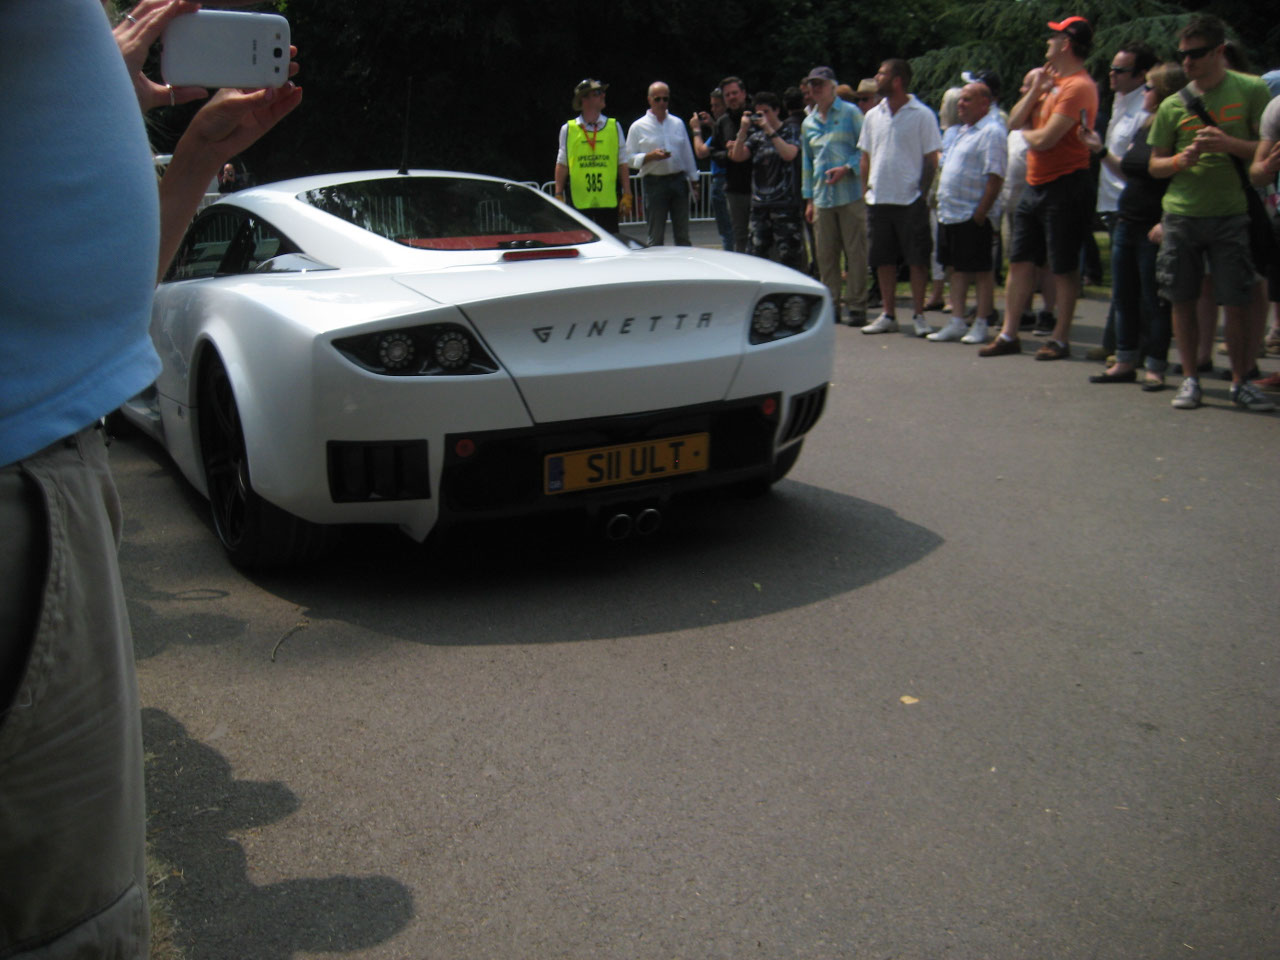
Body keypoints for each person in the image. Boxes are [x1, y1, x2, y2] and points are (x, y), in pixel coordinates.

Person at [0, 1, 301, 957]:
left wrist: (192, 163)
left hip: (45, 458)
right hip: (22, 481)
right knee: (67, 925)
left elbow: (106, 315)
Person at [1148, 14, 1274, 410]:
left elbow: (1266, 151)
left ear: (1220, 51)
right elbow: (1155, 165)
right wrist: (1180, 162)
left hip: (1232, 211)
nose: (1187, 63)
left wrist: (1228, 143)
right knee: (1181, 298)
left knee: (1237, 299)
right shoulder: (1173, 104)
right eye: (1183, 55)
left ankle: (1240, 380)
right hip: (1182, 213)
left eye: (1196, 54)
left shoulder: (1252, 90)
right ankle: (1189, 378)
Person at [979, 15, 1099, 360]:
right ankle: (1008, 334)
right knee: (1019, 261)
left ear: (1067, 43)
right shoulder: (1052, 83)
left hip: (1066, 184)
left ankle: (1060, 338)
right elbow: (1013, 119)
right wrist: (1034, 91)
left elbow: (1045, 139)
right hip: (1035, 183)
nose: (1048, 40)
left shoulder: (1078, 86)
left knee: (1062, 265)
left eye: (1055, 35)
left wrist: (1020, 134)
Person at [1082, 63, 1183, 388]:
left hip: (1153, 224)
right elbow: (1129, 171)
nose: (1146, 93)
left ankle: (1155, 364)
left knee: (1153, 299)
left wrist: (1167, 221)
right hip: (1127, 219)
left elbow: (1181, 180)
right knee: (1124, 295)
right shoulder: (1145, 126)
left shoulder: (1175, 128)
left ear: (1165, 93)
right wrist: (1099, 151)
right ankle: (1125, 359)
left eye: (1150, 87)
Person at [858, 58, 943, 336]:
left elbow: (932, 159)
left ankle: (919, 315)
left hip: (910, 201)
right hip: (879, 198)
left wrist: (921, 194)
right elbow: (866, 156)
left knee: (917, 259)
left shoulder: (922, 114)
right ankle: (888, 313)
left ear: (896, 80)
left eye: (881, 74)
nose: (875, 77)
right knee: (883, 260)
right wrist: (865, 189)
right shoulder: (873, 115)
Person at [1089, 40, 1157, 358]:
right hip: (1112, 201)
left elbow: (1135, 167)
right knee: (1123, 283)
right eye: (1111, 68)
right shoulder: (1119, 102)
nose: (1112, 75)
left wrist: (1099, 151)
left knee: (1134, 285)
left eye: (1121, 70)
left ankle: (1131, 347)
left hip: (1130, 204)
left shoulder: (1143, 108)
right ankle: (1117, 344)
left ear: (1141, 74)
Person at [926, 81, 1007, 344]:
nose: (961, 104)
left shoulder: (992, 132)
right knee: (955, 269)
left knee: (982, 271)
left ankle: (982, 322)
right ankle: (957, 320)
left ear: (985, 103)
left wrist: (981, 213)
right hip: (950, 213)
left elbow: (995, 176)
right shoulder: (962, 131)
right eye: (960, 100)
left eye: (968, 100)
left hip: (972, 214)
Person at [799, 66, 868, 324]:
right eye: (812, 84)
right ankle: (832, 304)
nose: (815, 88)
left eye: (820, 84)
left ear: (832, 86)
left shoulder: (851, 114)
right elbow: (806, 163)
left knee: (856, 252)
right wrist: (808, 200)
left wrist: (847, 168)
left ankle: (857, 305)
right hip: (822, 197)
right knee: (825, 255)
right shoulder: (809, 122)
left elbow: (866, 150)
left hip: (850, 194)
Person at [729, 91, 804, 269]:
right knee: (756, 253)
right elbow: (737, 156)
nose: (762, 117)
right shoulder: (756, 136)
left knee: (789, 255)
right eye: (758, 113)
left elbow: (789, 154)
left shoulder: (789, 130)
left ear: (777, 110)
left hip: (785, 204)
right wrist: (743, 130)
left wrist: (770, 130)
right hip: (760, 205)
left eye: (766, 112)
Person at [625, 81, 700, 247]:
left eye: (665, 99)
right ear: (649, 100)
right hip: (654, 182)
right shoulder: (638, 126)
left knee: (683, 236)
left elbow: (687, 153)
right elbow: (628, 158)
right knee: (655, 237)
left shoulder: (677, 123)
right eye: (657, 99)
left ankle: (685, 269)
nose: (662, 103)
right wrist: (650, 156)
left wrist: (694, 181)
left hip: (678, 180)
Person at [554, 78, 633, 234]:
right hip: (579, 200)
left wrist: (627, 194)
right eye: (598, 93)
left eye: (602, 92)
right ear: (584, 99)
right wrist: (558, 193)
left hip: (607, 200)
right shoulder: (568, 129)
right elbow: (562, 164)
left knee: (611, 245)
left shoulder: (614, 126)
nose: (603, 95)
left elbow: (622, 163)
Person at [712, 76, 754, 252]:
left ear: (743, 93)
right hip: (735, 188)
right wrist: (730, 154)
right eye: (727, 95)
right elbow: (714, 152)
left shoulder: (756, 116)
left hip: (758, 185)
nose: (732, 97)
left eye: (735, 93)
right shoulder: (722, 122)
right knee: (739, 235)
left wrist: (743, 148)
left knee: (759, 233)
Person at [689, 88, 734, 250]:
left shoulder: (723, 127)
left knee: (727, 231)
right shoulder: (731, 124)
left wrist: (696, 130)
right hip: (732, 180)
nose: (713, 109)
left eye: (716, 105)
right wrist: (712, 124)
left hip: (721, 180)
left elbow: (701, 152)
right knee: (735, 228)